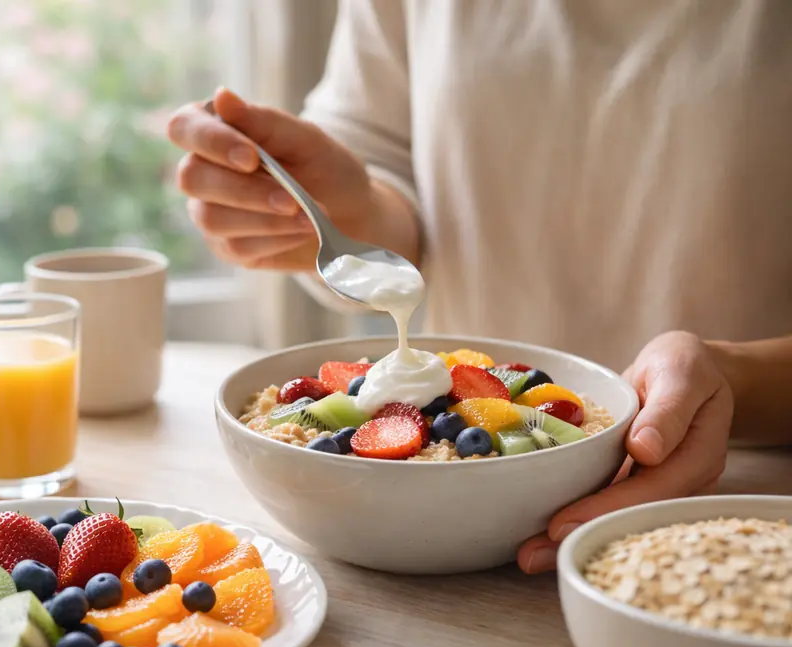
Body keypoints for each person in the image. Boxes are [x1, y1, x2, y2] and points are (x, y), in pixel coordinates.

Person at [166, 0, 792, 574]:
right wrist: (347, 213)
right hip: (415, 522)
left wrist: (736, 378)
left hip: (744, 506)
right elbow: (381, 158)